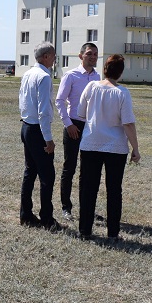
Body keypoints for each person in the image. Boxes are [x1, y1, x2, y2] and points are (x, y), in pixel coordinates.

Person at [76, 54, 140, 239]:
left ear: (104, 69)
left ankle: (85, 230)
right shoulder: (122, 93)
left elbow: (81, 113)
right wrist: (135, 149)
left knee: (88, 189)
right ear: (120, 72)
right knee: (114, 190)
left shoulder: (91, 87)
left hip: (90, 144)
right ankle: (113, 232)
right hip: (115, 147)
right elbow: (128, 123)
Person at [19, 42, 63, 231]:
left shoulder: (28, 74)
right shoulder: (44, 77)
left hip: (26, 126)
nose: (54, 59)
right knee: (47, 176)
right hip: (37, 130)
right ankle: (46, 218)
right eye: (53, 56)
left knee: (30, 172)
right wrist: (48, 139)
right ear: (45, 57)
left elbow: (22, 101)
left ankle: (26, 214)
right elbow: (43, 111)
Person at [54, 42, 100, 221]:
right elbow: (59, 101)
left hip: (90, 127)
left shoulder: (97, 77)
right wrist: (68, 124)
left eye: (95, 54)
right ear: (81, 56)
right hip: (73, 125)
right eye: (89, 53)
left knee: (88, 170)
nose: (93, 57)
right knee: (70, 167)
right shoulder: (71, 75)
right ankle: (66, 207)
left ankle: (87, 208)